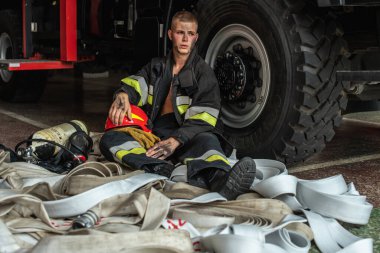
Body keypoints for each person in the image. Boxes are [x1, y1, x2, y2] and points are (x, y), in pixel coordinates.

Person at [99, 11, 256, 200]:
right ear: (170, 34)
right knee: (110, 140)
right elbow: (136, 84)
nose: (185, 39)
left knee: (209, 142)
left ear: (195, 38)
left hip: (187, 135)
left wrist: (176, 141)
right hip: (153, 134)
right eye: (180, 32)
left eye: (190, 34)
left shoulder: (203, 73)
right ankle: (157, 167)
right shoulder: (156, 67)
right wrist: (123, 93)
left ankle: (222, 181)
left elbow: (203, 118)